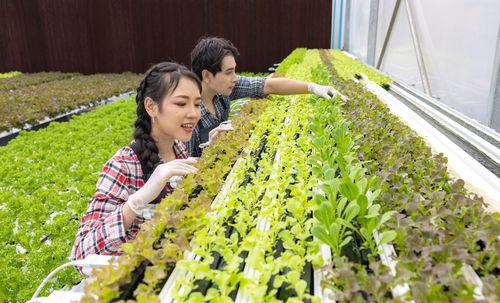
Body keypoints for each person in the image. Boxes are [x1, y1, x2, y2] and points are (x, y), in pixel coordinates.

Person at [71, 62, 202, 270]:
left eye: (197, 104)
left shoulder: (179, 149)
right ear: (151, 106)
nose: (194, 113)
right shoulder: (123, 165)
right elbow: (81, 256)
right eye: (181, 104)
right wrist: (137, 201)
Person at [185, 36, 349, 157]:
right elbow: (182, 173)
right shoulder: (186, 116)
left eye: (234, 70)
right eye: (229, 72)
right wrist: (209, 152)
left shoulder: (221, 91)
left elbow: (267, 85)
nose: (235, 77)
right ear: (206, 76)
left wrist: (313, 88)